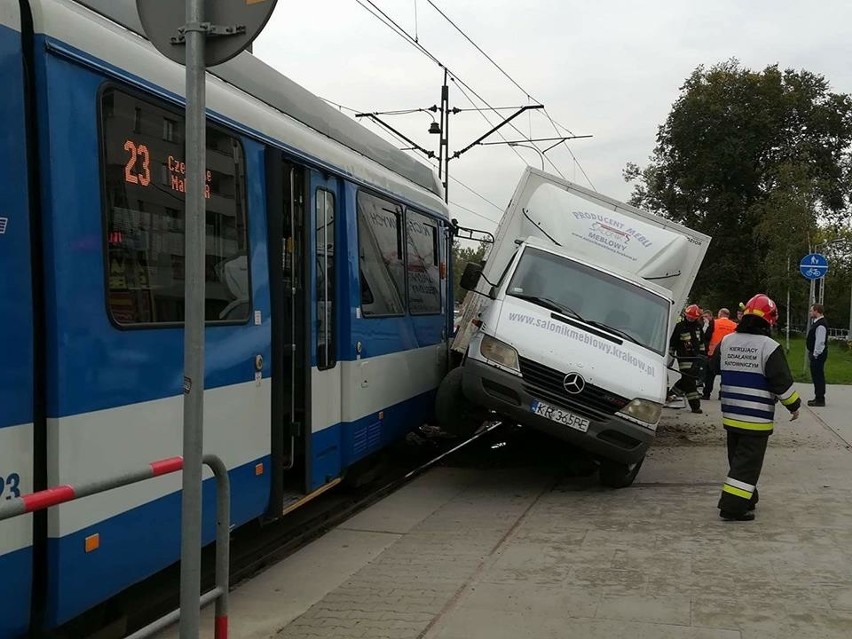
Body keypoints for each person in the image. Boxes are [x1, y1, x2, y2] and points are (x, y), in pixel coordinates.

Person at [710, 293, 800, 521]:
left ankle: (748, 497)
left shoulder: (728, 340)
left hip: (731, 414)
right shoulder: (769, 347)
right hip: (756, 418)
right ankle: (731, 507)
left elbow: (713, 367)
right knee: (747, 465)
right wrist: (794, 405)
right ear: (769, 320)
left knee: (738, 460)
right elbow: (781, 382)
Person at [668, 304, 705, 413]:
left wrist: (703, 355)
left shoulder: (698, 327)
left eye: (692, 318)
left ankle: (670, 395)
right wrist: (670, 356)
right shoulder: (680, 326)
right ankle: (695, 406)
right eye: (688, 317)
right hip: (684, 358)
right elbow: (673, 342)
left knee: (686, 380)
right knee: (690, 382)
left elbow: (701, 343)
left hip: (696, 358)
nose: (690, 319)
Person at [703, 308, 738, 400]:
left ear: (720, 314)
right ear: (728, 315)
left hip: (713, 353)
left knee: (710, 375)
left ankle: (706, 394)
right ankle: (722, 394)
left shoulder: (714, 322)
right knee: (725, 375)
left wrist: (705, 349)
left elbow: (707, 336)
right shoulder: (734, 325)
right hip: (728, 354)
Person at [806, 303, 828, 406]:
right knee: (816, 376)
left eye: (811, 311)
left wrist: (815, 354)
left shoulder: (821, 325)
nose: (810, 313)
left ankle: (820, 398)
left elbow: (820, 342)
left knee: (818, 376)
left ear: (816, 311)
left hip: (818, 355)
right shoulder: (817, 323)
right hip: (816, 354)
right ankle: (817, 396)